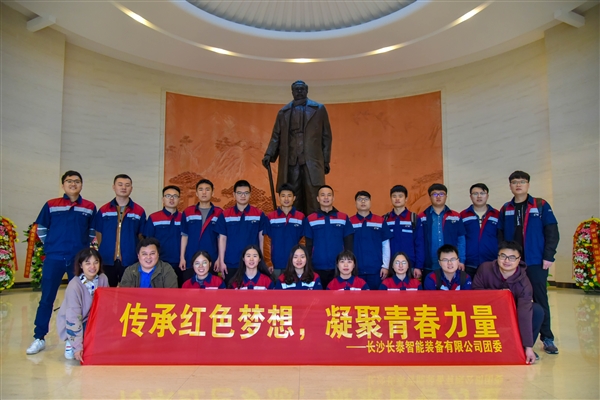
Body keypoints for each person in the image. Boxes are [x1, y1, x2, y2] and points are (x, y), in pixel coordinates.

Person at [27, 171, 97, 355]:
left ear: (81, 184)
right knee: (47, 299)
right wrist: (51, 244)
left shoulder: (89, 207)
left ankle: (75, 339)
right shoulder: (51, 205)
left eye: (77, 181)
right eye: (69, 181)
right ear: (63, 184)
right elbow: (41, 228)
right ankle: (39, 337)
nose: (73, 184)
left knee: (79, 300)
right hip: (54, 258)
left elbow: (92, 232)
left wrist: (83, 250)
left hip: (77, 261)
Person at [498, 170, 560, 355]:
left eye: (522, 181)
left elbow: (552, 232)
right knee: (511, 298)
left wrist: (548, 256)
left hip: (535, 261)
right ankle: (513, 336)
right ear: (510, 186)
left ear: (528, 184)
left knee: (540, 298)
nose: (518, 185)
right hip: (512, 263)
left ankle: (547, 338)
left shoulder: (540, 205)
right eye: (515, 182)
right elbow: (499, 234)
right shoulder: (506, 208)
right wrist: (503, 257)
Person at [262, 80, 333, 215]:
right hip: (291, 161)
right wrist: (269, 154)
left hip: (312, 160)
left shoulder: (319, 109)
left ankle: (314, 223)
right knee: (293, 195)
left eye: (302, 89)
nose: (299, 92)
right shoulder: (283, 112)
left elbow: (326, 137)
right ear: (292, 92)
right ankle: (295, 223)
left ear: (307, 91)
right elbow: (276, 136)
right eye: (296, 89)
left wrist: (326, 161)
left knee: (313, 194)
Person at [473, 241, 544, 364]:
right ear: (497, 256)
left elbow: (524, 314)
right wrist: (498, 295)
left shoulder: (524, 283)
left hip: (512, 314)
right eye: (503, 256)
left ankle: (522, 348)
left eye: (512, 258)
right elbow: (475, 293)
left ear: (519, 260)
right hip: (487, 311)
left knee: (537, 311)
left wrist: (529, 347)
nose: (506, 261)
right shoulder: (485, 269)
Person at [56, 248, 108, 361]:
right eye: (87, 263)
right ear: (81, 265)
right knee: (78, 352)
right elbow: (73, 317)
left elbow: (106, 306)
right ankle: (70, 341)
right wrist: (77, 347)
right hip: (79, 321)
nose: (92, 266)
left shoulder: (103, 278)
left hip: (94, 319)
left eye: (96, 262)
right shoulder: (74, 285)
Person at [95, 174, 146, 287]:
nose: (124, 187)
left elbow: (141, 236)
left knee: (129, 292)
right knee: (107, 292)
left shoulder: (139, 211)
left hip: (130, 260)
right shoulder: (104, 210)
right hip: (107, 260)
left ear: (131, 188)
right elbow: (99, 234)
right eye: (120, 184)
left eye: (127, 185)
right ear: (114, 187)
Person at [216, 180, 268, 284]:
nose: (243, 196)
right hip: (231, 262)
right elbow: (222, 239)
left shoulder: (259, 214)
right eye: (239, 193)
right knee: (231, 292)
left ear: (250, 194)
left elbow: (261, 239)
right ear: (234, 195)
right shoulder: (225, 214)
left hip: (252, 263)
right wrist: (221, 261)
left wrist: (260, 260)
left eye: (246, 193)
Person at [305, 185, 354, 289]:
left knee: (339, 297)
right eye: (323, 195)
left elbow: (348, 245)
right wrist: (308, 266)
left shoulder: (343, 218)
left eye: (329, 195)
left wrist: (347, 264)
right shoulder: (310, 219)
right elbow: (308, 245)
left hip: (338, 268)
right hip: (317, 267)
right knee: (319, 297)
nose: (326, 197)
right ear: (318, 198)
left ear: (333, 198)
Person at [419, 184, 466, 279]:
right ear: (430, 197)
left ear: (446, 196)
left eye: (441, 194)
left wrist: (461, 260)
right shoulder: (422, 217)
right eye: (435, 194)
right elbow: (419, 242)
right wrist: (418, 265)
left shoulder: (455, 216)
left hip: (451, 265)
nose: (438, 197)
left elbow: (461, 240)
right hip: (429, 265)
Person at [179, 179, 223, 282]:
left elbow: (221, 238)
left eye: (207, 189)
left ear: (212, 193)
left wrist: (219, 259)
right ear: (196, 193)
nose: (204, 192)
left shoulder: (219, 213)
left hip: (212, 259)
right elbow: (184, 236)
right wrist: (182, 257)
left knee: (211, 288)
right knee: (189, 288)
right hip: (190, 258)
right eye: (201, 189)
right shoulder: (188, 212)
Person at [350, 191, 393, 290]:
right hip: (356, 270)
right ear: (355, 203)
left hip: (377, 271)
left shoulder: (380, 221)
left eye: (366, 199)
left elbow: (386, 245)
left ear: (370, 202)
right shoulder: (349, 222)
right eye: (360, 199)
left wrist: (385, 266)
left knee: (377, 297)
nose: (363, 202)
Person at [145, 185, 183, 286]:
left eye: (175, 196)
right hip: (160, 263)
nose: (171, 199)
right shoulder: (154, 218)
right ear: (163, 199)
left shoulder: (184, 218)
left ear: (179, 199)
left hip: (181, 263)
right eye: (168, 196)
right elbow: (148, 242)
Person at [265, 184, 305, 277]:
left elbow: (303, 242)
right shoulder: (271, 217)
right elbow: (267, 242)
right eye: (283, 196)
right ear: (279, 198)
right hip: (276, 265)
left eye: (289, 196)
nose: (286, 199)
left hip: (295, 264)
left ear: (294, 198)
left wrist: (301, 261)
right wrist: (268, 262)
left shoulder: (300, 217)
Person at [384, 185, 425, 278]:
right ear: (391, 198)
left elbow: (419, 243)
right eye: (394, 196)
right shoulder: (385, 219)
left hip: (410, 266)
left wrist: (418, 266)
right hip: (390, 267)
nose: (397, 199)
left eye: (400, 196)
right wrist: (384, 266)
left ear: (406, 199)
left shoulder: (414, 218)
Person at [460, 183, 499, 279]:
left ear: (487, 196)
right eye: (475, 194)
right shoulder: (463, 215)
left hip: (492, 263)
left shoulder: (497, 215)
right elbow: (460, 239)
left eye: (482, 193)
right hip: (469, 264)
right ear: (470, 196)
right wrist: (461, 260)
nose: (479, 196)